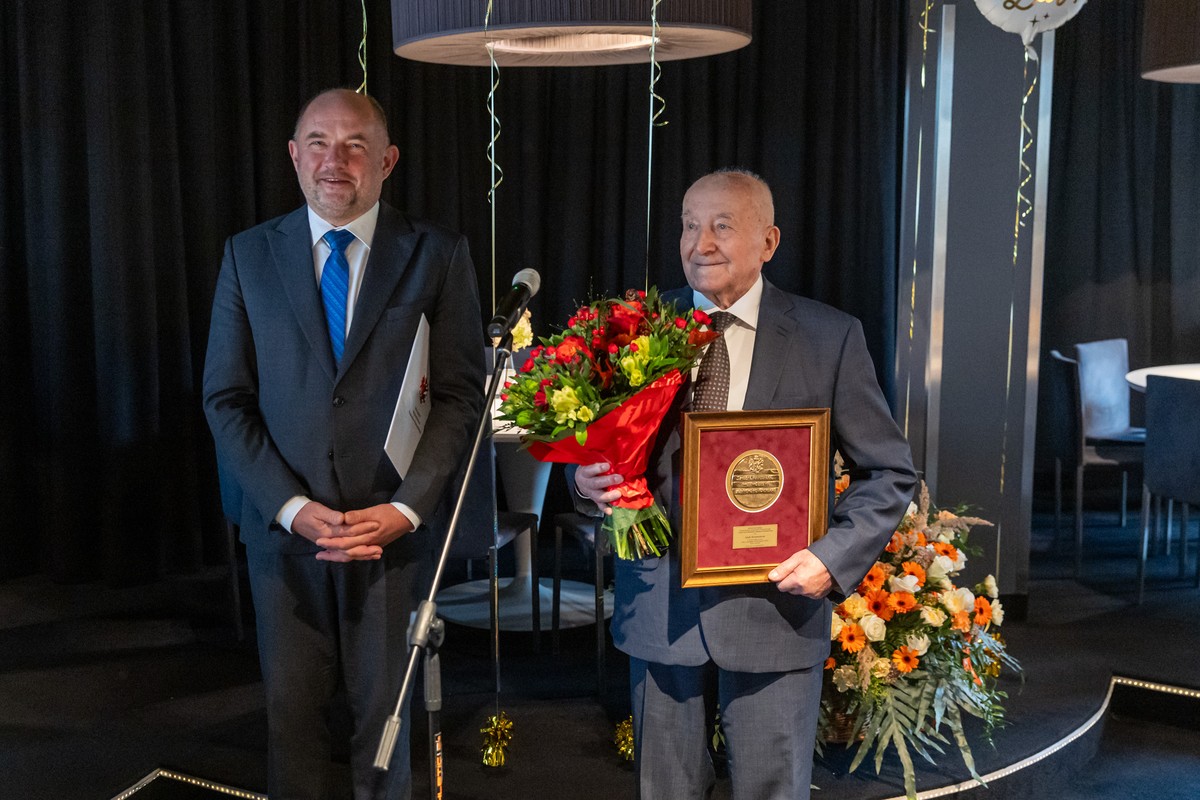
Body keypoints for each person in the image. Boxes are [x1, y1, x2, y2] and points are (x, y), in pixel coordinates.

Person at [573, 169, 917, 799]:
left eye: (722, 226)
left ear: (770, 240)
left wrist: (831, 558)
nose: (699, 242)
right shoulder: (634, 329)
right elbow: (599, 455)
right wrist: (586, 481)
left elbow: (890, 471)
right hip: (660, 606)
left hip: (776, 607)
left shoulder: (829, 336)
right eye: (688, 224)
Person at [203, 88, 484, 800]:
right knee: (291, 726)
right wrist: (290, 506)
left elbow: (459, 398)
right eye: (319, 143)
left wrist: (408, 509)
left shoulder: (437, 254)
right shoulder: (246, 257)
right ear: (295, 157)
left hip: (388, 538)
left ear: (387, 161)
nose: (337, 160)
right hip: (285, 537)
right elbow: (225, 400)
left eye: (356, 145)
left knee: (383, 730)